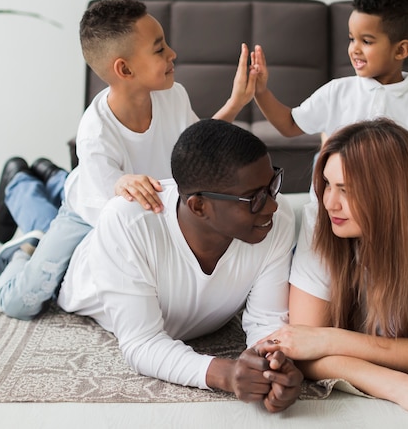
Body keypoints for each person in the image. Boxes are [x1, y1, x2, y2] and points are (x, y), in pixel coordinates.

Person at [0, 0, 257, 320]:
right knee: (23, 303)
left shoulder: (173, 96)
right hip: (86, 213)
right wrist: (120, 184)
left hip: (114, 195)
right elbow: (109, 214)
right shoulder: (94, 132)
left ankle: (49, 176)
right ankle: (21, 227)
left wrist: (235, 102)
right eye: (160, 49)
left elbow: (199, 147)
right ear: (125, 69)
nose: (173, 53)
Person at [244, 0, 408, 297]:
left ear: (401, 49)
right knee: (297, 277)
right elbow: (289, 124)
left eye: (366, 41)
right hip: (336, 219)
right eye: (351, 39)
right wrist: (261, 93)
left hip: (392, 220)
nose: (354, 49)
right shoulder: (338, 91)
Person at [57, 119, 303, 412]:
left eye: (272, 185)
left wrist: (272, 366)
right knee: (23, 288)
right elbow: (142, 343)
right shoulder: (128, 222)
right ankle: (33, 183)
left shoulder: (276, 218)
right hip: (76, 265)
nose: (272, 205)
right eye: (253, 198)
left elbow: (266, 319)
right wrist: (227, 374)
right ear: (199, 206)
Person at [260, 119, 408, 424]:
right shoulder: (322, 215)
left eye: (346, 190)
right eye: (327, 184)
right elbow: (302, 346)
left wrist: (330, 340)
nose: (330, 202)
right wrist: (395, 385)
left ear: (388, 194)